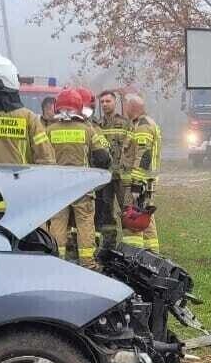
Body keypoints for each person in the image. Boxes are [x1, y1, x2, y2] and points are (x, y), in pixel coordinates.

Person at [43, 87, 112, 267]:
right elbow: (103, 157)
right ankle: (87, 262)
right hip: (82, 186)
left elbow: (40, 157)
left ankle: (57, 261)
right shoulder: (87, 130)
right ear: (79, 107)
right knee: (85, 223)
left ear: (58, 107)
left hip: (57, 186)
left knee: (58, 223)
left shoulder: (49, 130)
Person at [121, 93, 161, 251]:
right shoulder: (138, 124)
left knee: (134, 221)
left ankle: (133, 253)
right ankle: (152, 253)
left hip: (140, 183)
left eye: (125, 105)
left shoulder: (143, 126)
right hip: (146, 181)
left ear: (132, 107)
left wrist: (136, 185)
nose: (124, 109)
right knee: (145, 217)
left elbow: (143, 156)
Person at [95, 89, 131, 246]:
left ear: (115, 102)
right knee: (106, 211)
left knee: (127, 209)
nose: (104, 104)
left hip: (121, 176)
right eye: (102, 102)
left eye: (107, 101)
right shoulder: (97, 125)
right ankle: (109, 244)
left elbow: (131, 149)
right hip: (105, 177)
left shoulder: (125, 124)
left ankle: (129, 244)